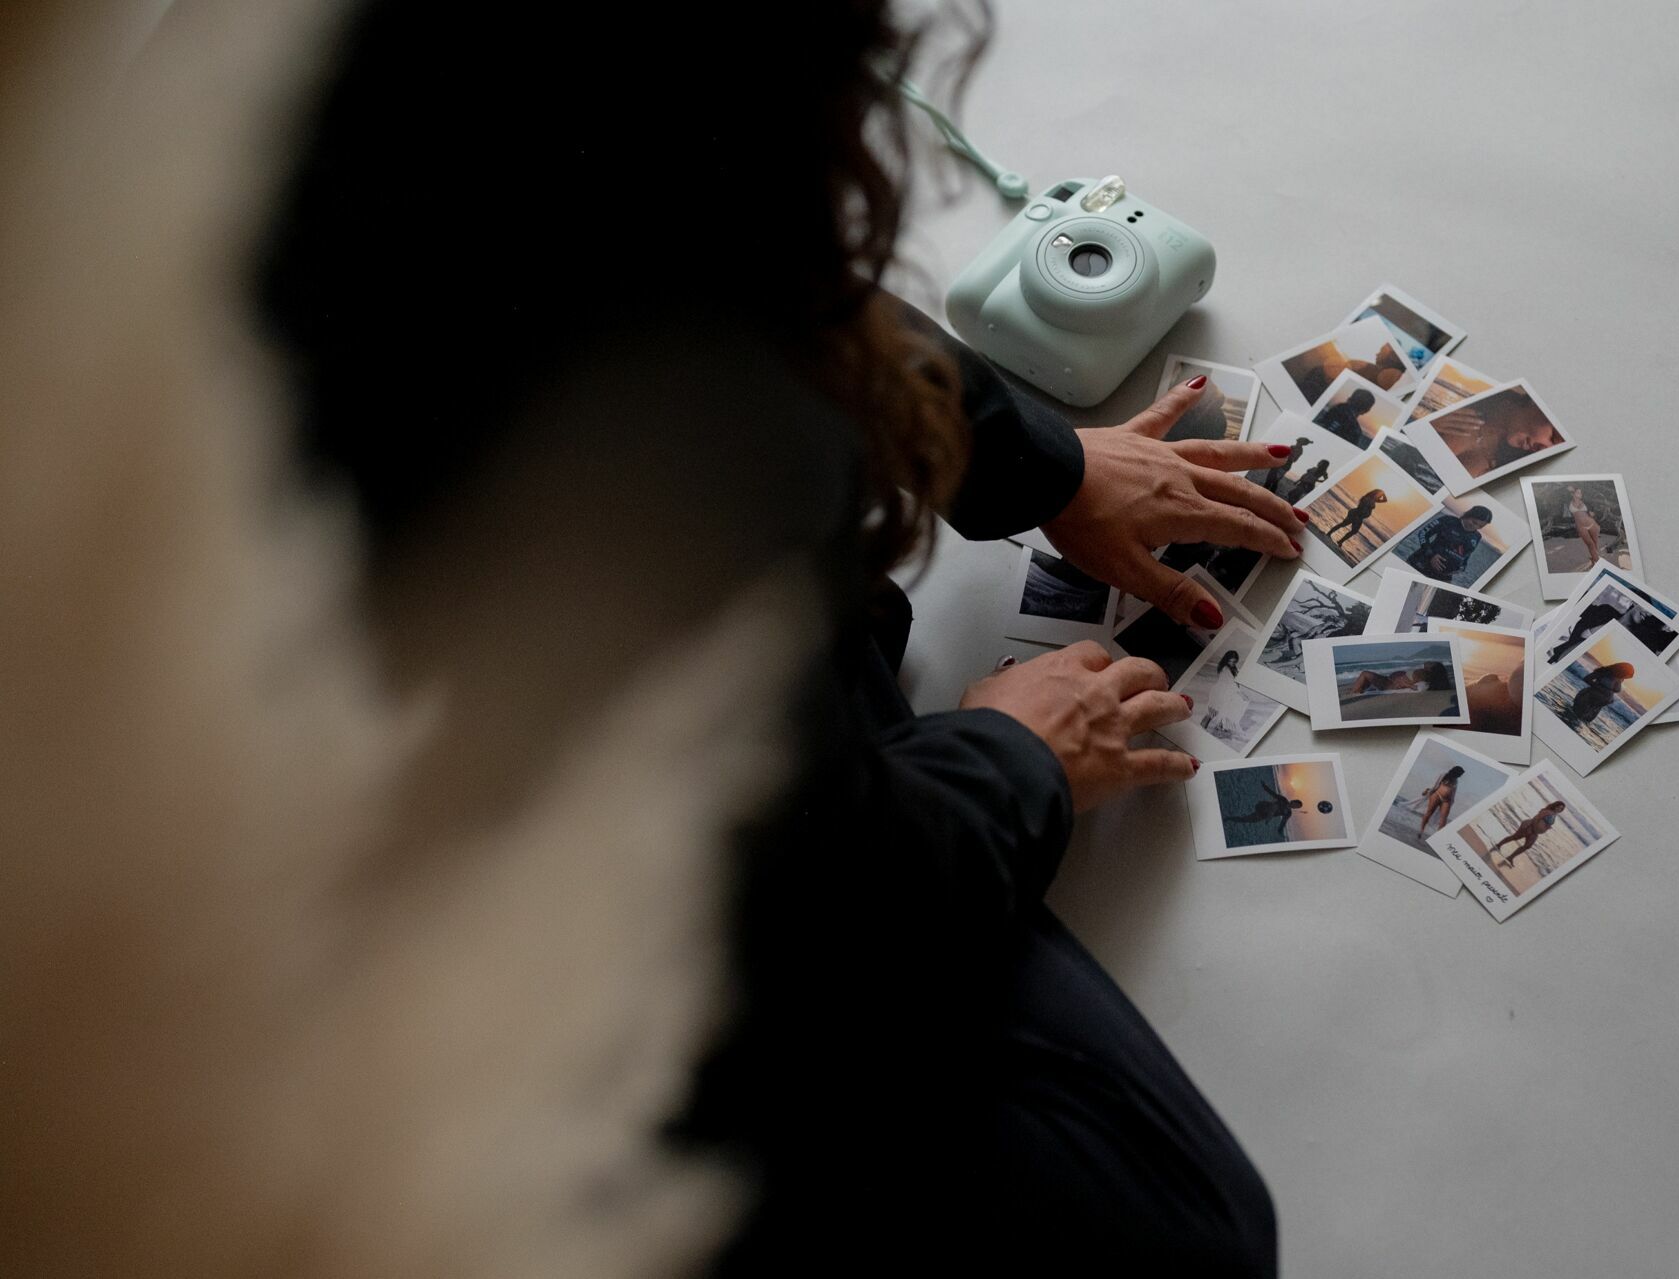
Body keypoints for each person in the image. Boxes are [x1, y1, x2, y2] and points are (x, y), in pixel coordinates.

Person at [247, 4, 1296, 1275]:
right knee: (1189, 1236)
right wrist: (1018, 757)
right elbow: (816, 916)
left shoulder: (386, 118)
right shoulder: (666, 472)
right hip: (469, 975)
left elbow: (744, 277)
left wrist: (1044, 460)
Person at [1403, 504, 1491, 583]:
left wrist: (1461, 568)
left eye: (1480, 526)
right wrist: (1431, 555)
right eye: (1474, 522)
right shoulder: (1448, 521)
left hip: (1443, 578)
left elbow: (1466, 555)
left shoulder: (1477, 537)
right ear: (1469, 515)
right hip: (1420, 565)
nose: (1475, 527)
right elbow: (1423, 533)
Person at [1492, 800, 1568, 868]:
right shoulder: (1547, 811)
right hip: (1529, 827)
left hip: (1534, 832)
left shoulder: (1554, 815)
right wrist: (1532, 829)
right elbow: (1536, 818)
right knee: (1515, 837)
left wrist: (1546, 827)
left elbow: (1545, 823)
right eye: (1559, 807)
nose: (1559, 809)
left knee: (1527, 846)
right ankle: (1498, 845)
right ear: (1555, 806)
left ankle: (1510, 857)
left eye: (1561, 809)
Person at [1197, 649, 1252, 741]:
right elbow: (1231, 684)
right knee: (1212, 713)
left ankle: (1219, 728)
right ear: (1226, 660)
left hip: (1226, 694)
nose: (1232, 663)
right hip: (1219, 693)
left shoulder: (1233, 669)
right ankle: (1201, 731)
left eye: (1234, 661)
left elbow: (1236, 681)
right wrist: (1242, 694)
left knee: (1222, 712)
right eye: (1230, 661)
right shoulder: (1225, 669)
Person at [1226, 775, 1304, 839]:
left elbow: (1283, 823)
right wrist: (1264, 786)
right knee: (1275, 806)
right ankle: (1269, 815)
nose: (1295, 806)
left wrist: (1280, 831)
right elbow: (1273, 794)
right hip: (1263, 806)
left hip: (1263, 815)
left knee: (1244, 820)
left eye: (1297, 807)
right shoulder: (1283, 799)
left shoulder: (1288, 813)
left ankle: (1229, 818)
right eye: (1296, 804)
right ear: (1293, 801)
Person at [1568, 660, 1636, 726]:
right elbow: (1587, 678)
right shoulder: (1604, 672)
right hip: (1588, 699)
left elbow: (1613, 690)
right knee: (1571, 719)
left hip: (1597, 706)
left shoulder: (1620, 679)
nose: (1624, 678)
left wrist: (1610, 698)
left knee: (1580, 723)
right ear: (1622, 671)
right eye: (1625, 676)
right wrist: (1601, 689)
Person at [1414, 764, 1467, 838]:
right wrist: (1427, 791)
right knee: (1429, 813)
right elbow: (1435, 784)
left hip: (1447, 800)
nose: (1460, 776)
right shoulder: (1444, 774)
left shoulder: (1456, 780)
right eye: (1460, 774)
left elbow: (1453, 792)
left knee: (1443, 818)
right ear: (1456, 772)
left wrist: (1452, 801)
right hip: (1437, 795)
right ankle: (1421, 831)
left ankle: (1438, 836)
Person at [1350, 660, 1450, 695]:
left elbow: (1413, 685)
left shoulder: (1423, 674)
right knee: (1367, 680)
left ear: (1431, 669)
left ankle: (1354, 692)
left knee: (1365, 674)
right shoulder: (1423, 673)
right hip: (1389, 680)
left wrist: (1407, 685)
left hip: (1389, 684)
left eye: (1431, 663)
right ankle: (1360, 689)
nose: (1428, 662)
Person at [1568, 485, 1604, 568]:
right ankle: (1599, 564)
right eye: (1578, 492)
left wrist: (1593, 514)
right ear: (1573, 494)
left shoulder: (1586, 501)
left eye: (1581, 493)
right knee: (1590, 544)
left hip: (1592, 524)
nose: (1580, 494)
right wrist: (1571, 489)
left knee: (1595, 544)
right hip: (1581, 526)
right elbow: (1566, 490)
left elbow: (1593, 511)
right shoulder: (1568, 501)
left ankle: (1594, 560)